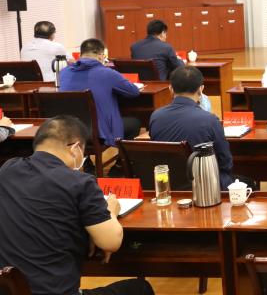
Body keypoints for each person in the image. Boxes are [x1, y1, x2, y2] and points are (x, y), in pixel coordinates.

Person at [0, 115, 154, 295]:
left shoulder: (7, 170)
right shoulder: (79, 182)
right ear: (75, 148)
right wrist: (111, 210)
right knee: (140, 289)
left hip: (10, 290)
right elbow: (111, 242)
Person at [150, 66, 249, 190]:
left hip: (168, 184)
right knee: (247, 182)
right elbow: (225, 162)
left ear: (171, 89)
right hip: (205, 188)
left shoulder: (155, 117)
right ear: (201, 89)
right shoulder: (210, 119)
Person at [59, 38, 142, 148]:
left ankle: (84, 157)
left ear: (80, 54)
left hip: (70, 129)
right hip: (99, 133)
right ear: (101, 56)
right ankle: (120, 158)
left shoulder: (64, 72)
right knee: (134, 123)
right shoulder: (107, 73)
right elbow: (133, 92)